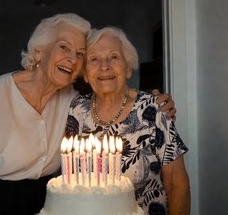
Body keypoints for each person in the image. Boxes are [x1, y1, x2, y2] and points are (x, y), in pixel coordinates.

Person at [0, 13, 177, 215]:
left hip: (48, 202)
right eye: (64, 47)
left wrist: (156, 101)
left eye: (80, 53)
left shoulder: (71, 100)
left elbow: (111, 91)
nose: (72, 58)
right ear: (40, 50)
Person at [65, 27, 190, 215]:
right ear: (85, 74)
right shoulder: (76, 109)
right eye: (94, 59)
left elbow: (177, 183)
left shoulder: (154, 109)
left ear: (128, 68)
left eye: (113, 57)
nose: (104, 66)